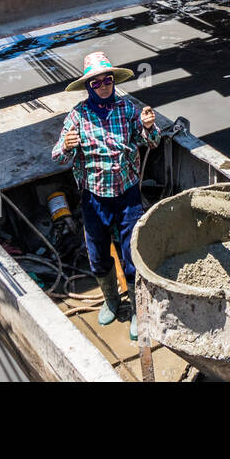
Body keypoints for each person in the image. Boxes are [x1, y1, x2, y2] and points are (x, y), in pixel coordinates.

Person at [51, 51, 159, 340]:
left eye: (107, 80)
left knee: (132, 255)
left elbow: (148, 141)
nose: (103, 85)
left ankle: (138, 310)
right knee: (98, 255)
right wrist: (68, 145)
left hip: (127, 196)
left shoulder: (126, 109)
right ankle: (112, 301)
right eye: (96, 82)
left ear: (113, 81)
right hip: (94, 198)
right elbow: (58, 157)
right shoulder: (77, 116)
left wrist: (148, 126)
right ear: (88, 87)